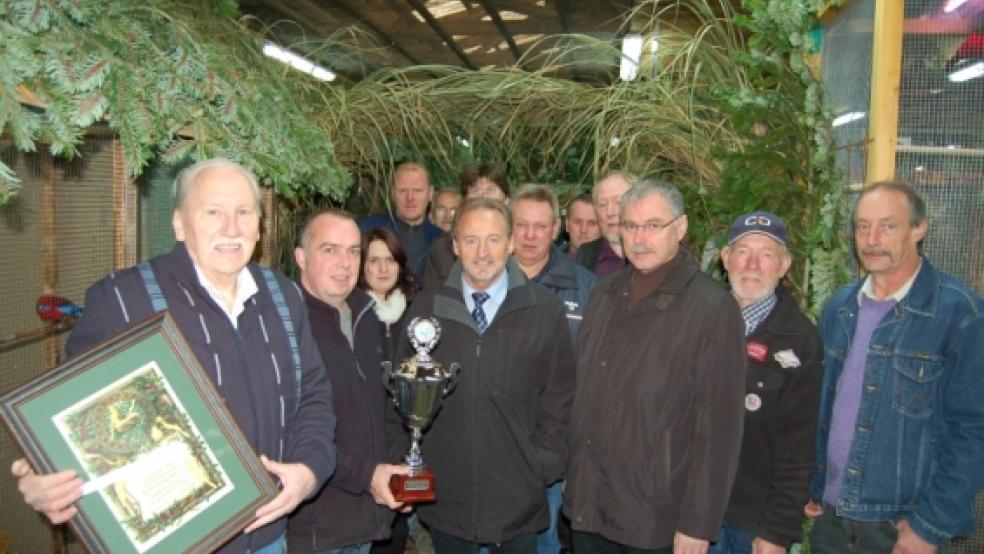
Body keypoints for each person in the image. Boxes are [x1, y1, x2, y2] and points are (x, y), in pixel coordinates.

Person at [10, 158, 336, 554]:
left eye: (244, 212)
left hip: (270, 539)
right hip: (174, 543)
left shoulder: (283, 296)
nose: (231, 228)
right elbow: (70, 423)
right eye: (213, 212)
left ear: (260, 226)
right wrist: (39, 474)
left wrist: (308, 470)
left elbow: (314, 396)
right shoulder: (122, 300)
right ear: (180, 224)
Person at [565, 179, 746, 554]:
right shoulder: (605, 292)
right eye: (630, 226)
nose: (639, 238)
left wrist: (698, 523)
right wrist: (575, 473)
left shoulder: (712, 308)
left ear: (680, 229)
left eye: (653, 225)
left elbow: (720, 427)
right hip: (590, 505)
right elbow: (584, 391)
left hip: (655, 514)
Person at [806, 181, 984, 553]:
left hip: (901, 527)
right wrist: (813, 484)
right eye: (862, 226)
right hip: (832, 521)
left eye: (887, 226)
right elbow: (822, 408)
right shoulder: (840, 308)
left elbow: (973, 430)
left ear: (919, 229)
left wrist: (930, 527)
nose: (871, 239)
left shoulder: (959, 314)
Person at [390, 197, 576, 553]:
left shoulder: (544, 310)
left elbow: (561, 397)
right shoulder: (427, 309)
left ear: (510, 243)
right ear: (455, 245)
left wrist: (541, 465)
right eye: (471, 240)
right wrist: (410, 464)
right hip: (447, 503)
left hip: (519, 500)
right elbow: (400, 397)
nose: (482, 252)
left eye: (493, 239)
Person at [288, 210, 408, 554]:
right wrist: (368, 475)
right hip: (316, 527)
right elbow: (294, 430)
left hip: (366, 522)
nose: (344, 263)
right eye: (330, 250)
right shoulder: (285, 325)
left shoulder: (367, 315)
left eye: (354, 251)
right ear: (301, 256)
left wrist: (397, 470)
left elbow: (386, 404)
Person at [707, 212, 823, 554]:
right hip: (697, 513)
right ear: (726, 259)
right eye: (743, 251)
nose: (753, 265)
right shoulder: (699, 322)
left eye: (767, 254)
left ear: (784, 265)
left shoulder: (800, 342)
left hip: (754, 524)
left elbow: (799, 447)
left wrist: (777, 531)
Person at [511, 184, 597, 554]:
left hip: (552, 448)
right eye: (521, 225)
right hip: (494, 442)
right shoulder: (482, 279)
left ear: (556, 228)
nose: (530, 235)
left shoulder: (586, 288)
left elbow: (595, 374)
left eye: (540, 226)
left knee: (543, 543)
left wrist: (576, 455)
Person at [422, 162, 510, 288]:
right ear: (464, 201)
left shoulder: (523, 243)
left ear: (507, 200)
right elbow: (431, 300)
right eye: (476, 190)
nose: (484, 197)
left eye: (492, 190)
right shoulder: (443, 248)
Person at [359, 162, 444, 278]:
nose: (410, 198)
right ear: (393, 193)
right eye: (403, 191)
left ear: (430, 193)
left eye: (417, 191)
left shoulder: (443, 242)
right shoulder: (366, 231)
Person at [574, 171, 635, 277]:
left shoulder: (661, 255)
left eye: (619, 202)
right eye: (602, 205)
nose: (610, 212)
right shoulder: (580, 261)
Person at [563, 193, 600, 259]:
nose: (583, 230)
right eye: (577, 222)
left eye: (591, 223)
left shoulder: (615, 266)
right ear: (567, 225)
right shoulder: (548, 260)